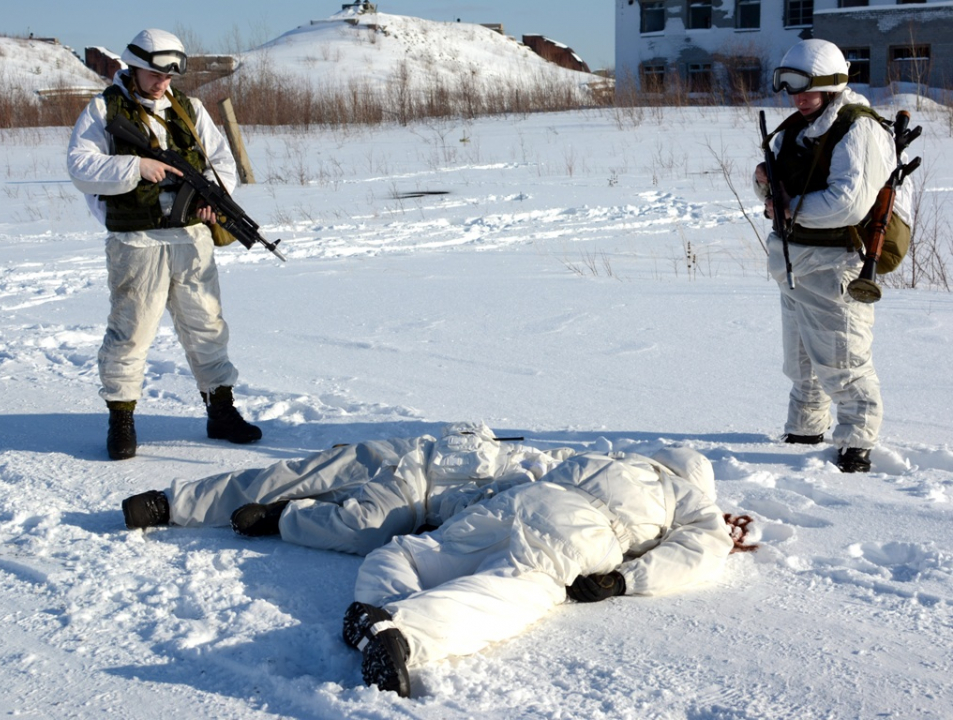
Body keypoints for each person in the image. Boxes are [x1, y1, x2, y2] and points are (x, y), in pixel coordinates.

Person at [343, 446, 737, 697]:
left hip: (516, 502)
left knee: (413, 552)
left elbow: (531, 466)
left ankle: (378, 612)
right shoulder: (684, 495)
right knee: (517, 589)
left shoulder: (606, 457)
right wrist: (624, 580)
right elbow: (705, 547)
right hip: (580, 528)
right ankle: (404, 633)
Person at [67, 28, 261, 461]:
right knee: (131, 332)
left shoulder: (188, 109)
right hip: (137, 241)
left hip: (190, 238)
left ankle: (221, 411)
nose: (162, 83)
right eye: (154, 74)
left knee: (207, 326)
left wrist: (213, 199)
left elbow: (222, 162)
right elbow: (80, 167)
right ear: (131, 66)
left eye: (168, 76)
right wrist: (137, 166)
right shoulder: (104, 109)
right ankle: (121, 419)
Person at [754, 39, 911, 473]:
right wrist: (765, 183)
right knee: (801, 360)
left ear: (832, 86)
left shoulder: (857, 129)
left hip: (835, 262)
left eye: (807, 90)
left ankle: (856, 442)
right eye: (791, 90)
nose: (798, 98)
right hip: (792, 259)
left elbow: (848, 204)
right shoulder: (796, 126)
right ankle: (805, 428)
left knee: (842, 360)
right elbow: (775, 187)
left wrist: (786, 206)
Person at [120, 422, 572, 556]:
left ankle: (282, 518)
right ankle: (171, 505)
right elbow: (467, 426)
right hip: (407, 453)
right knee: (290, 476)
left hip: (412, 502)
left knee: (363, 530)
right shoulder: (557, 463)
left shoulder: (530, 513)